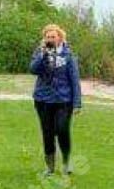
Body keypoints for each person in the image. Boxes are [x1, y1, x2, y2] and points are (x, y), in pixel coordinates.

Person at [30, 24, 82, 176]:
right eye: (47, 37)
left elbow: (74, 80)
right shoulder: (40, 52)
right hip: (43, 100)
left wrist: (77, 102)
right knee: (47, 133)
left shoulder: (68, 55)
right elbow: (33, 69)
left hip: (63, 100)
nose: (50, 39)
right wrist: (44, 55)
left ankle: (66, 162)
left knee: (62, 130)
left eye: (53, 36)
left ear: (60, 38)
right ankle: (50, 167)